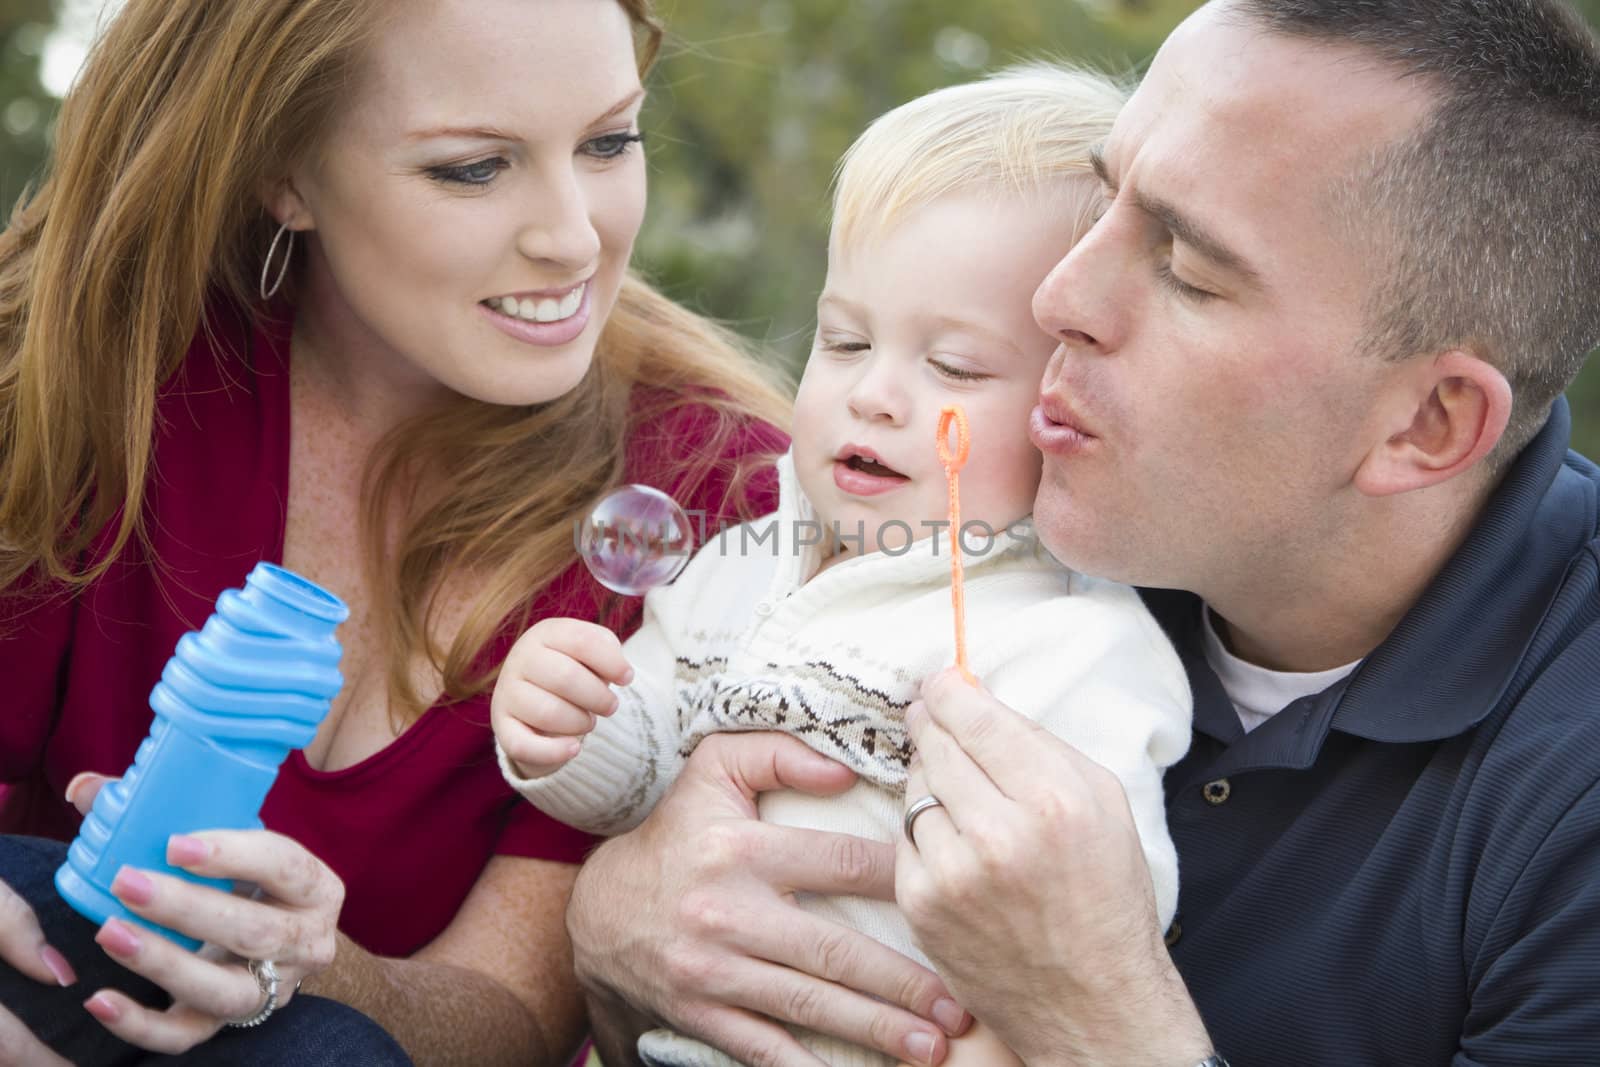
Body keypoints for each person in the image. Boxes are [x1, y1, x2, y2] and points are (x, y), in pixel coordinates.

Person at [561, 0, 1600, 1065]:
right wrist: (608, 931)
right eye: (1104, 202)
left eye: (1188, 270)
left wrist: (1099, 1011)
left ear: (1427, 424)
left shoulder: (1569, 808)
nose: (1057, 296)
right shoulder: (992, 517)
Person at [0, 0, 789, 1064]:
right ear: (283, 168)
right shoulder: (82, 374)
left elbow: (513, 1018)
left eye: (609, 141)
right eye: (473, 167)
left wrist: (309, 959)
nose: (572, 236)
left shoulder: (715, 486)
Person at [490, 67, 1192, 1067]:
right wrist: (575, 730)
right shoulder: (732, 565)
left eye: (953, 367)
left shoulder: (1072, 640)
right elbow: (636, 783)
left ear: (1071, 405)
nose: (875, 394)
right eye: (845, 338)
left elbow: (1102, 924)